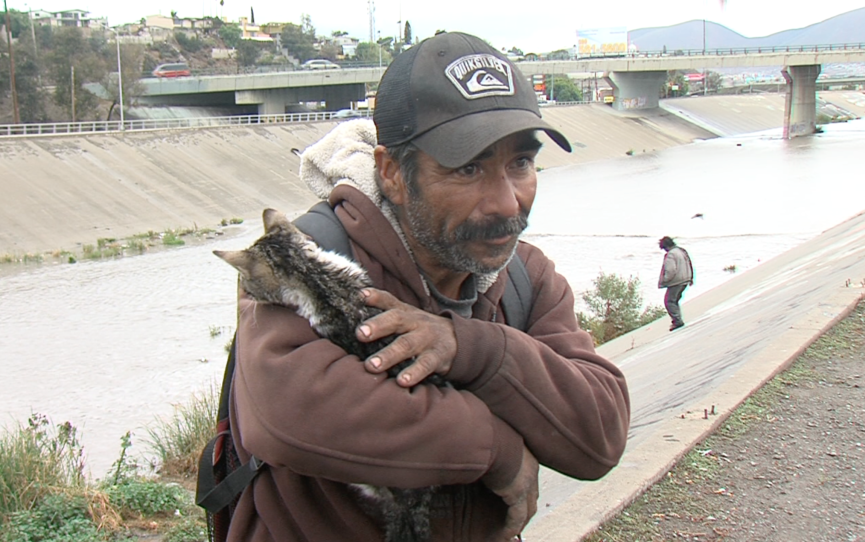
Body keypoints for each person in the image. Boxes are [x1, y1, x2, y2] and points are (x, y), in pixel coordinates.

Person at [226, 31, 631, 541]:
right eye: (468, 167)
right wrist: (498, 451)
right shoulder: (306, 258)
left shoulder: (530, 278)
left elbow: (600, 434)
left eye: (521, 163)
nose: (507, 203)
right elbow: (287, 415)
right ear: (392, 172)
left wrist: (473, 350)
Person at [658, 236, 694, 331]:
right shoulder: (681, 251)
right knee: (674, 301)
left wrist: (665, 280)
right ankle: (677, 320)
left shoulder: (671, 254)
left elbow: (670, 270)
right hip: (685, 279)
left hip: (676, 281)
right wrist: (691, 278)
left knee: (669, 301)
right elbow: (689, 264)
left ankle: (677, 321)